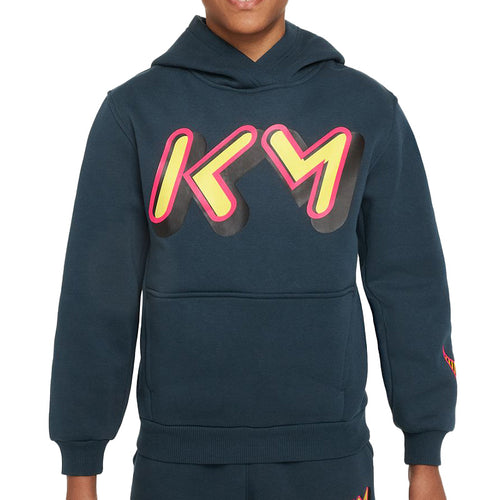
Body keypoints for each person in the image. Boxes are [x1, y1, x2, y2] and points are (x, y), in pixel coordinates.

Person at [48, 0, 458, 499]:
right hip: (176, 462)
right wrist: (81, 467)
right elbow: (97, 298)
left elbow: (410, 285)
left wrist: (424, 453)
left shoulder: (368, 108)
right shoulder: (133, 112)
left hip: (329, 460)